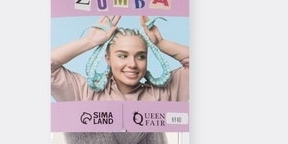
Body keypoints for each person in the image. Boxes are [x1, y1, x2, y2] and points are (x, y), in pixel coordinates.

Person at [51, 15, 189, 102]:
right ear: (108, 59)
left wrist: (160, 43)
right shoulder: (84, 93)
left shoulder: (164, 94)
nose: (132, 64)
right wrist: (90, 41)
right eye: (123, 56)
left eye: (140, 56)